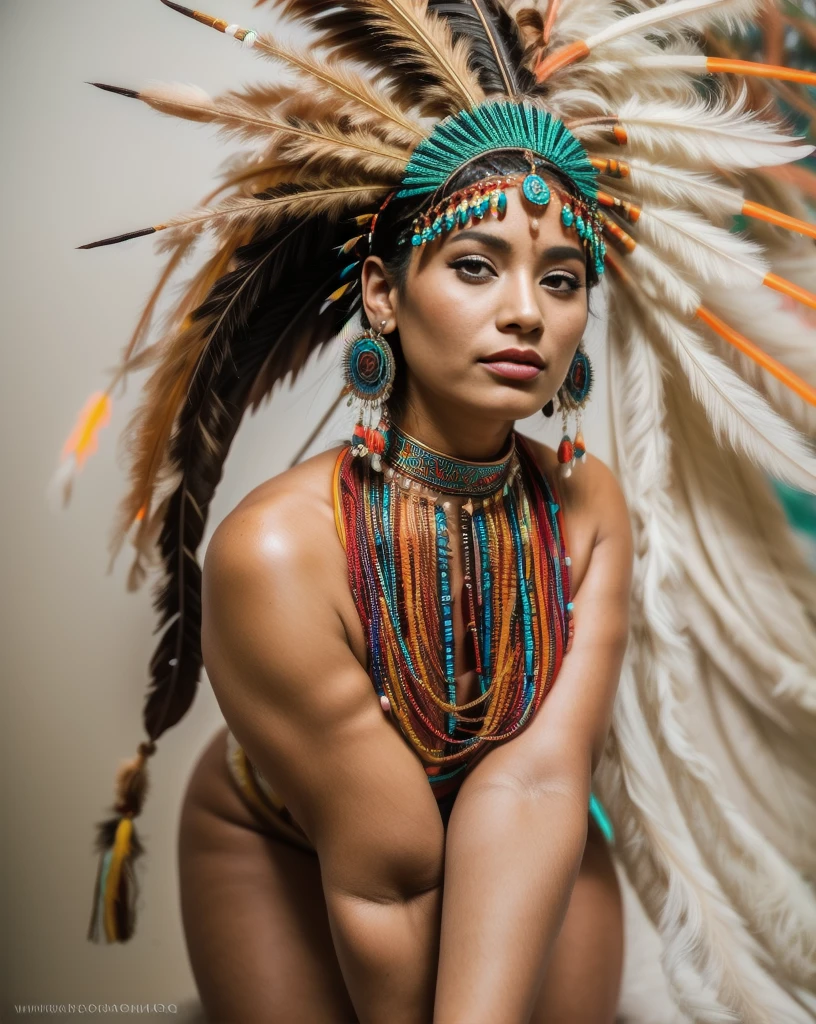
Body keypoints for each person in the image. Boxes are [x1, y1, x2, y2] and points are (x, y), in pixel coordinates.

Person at [65, 1, 816, 1021]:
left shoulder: (589, 507)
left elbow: (545, 779)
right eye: (475, 265)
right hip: (295, 849)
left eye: (562, 278)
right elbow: (391, 870)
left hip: (528, 841)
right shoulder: (280, 551)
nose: (527, 312)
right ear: (382, 292)